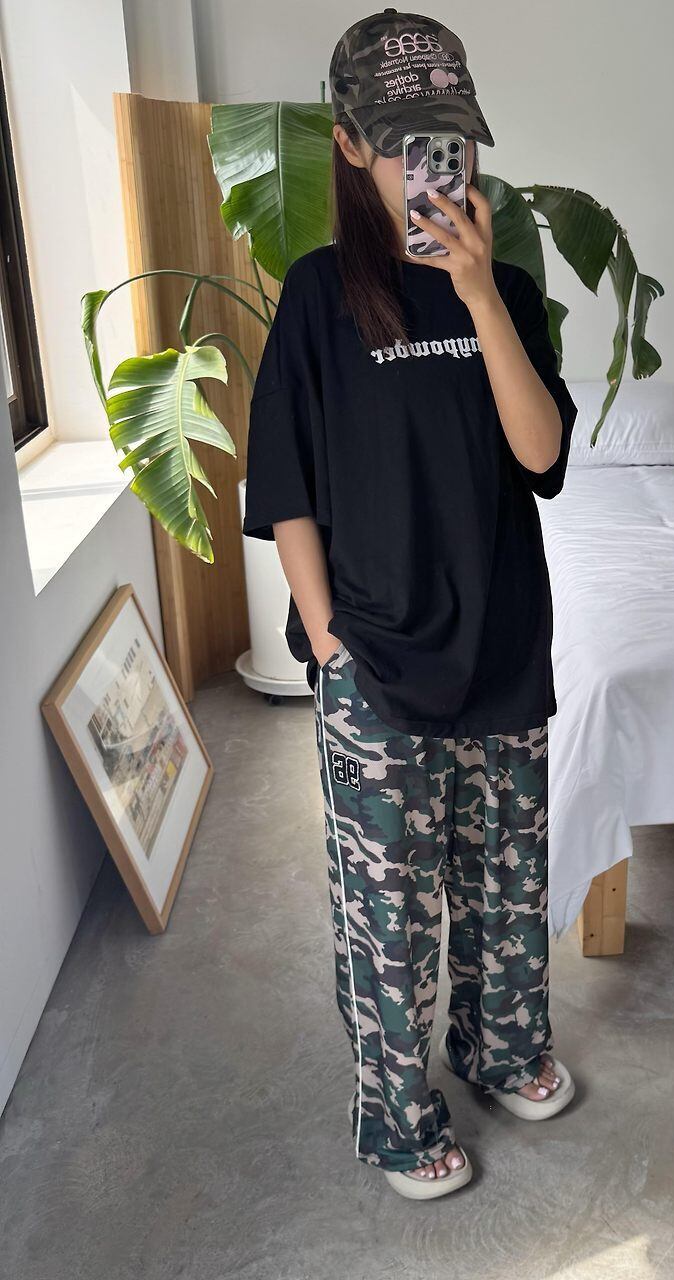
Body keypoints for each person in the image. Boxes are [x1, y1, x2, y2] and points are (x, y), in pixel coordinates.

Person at [241, 10, 578, 1201]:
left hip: (502, 649)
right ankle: (395, 1116)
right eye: (403, 143)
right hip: (376, 664)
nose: (434, 164)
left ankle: (501, 1047)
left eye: (450, 139)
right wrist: (329, 640)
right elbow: (285, 486)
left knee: (506, 890)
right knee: (387, 915)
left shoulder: (510, 289)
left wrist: (479, 294)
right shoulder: (318, 294)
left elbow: (539, 454)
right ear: (348, 145)